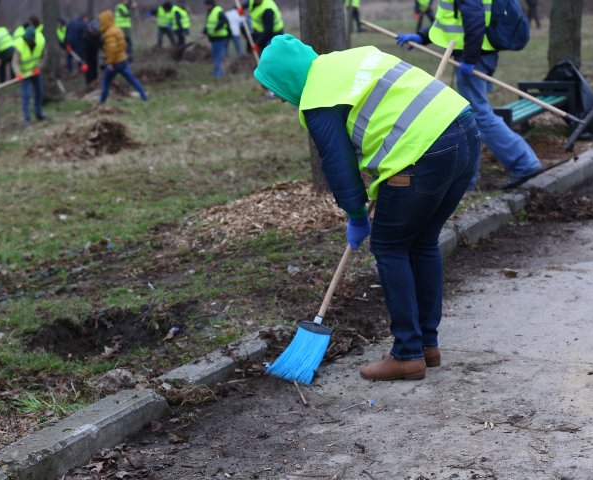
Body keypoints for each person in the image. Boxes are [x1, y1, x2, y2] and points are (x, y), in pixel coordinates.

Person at [253, 34, 479, 381]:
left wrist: (356, 215)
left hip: (424, 153)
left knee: (390, 246)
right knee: (421, 242)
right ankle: (427, 346)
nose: (285, 101)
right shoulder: (354, 58)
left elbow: (338, 164)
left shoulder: (318, 96)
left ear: (287, 79)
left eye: (280, 91)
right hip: (464, 132)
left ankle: (407, 353)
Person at [396, 0, 542, 189]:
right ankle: (469, 180)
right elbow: (452, 20)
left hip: (474, 58)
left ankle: (524, 164)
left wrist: (470, 59)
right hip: (479, 55)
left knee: (479, 116)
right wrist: (421, 36)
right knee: (475, 116)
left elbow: (474, 19)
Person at [98, 10, 147, 103]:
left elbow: (112, 50)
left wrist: (110, 63)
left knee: (106, 82)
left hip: (114, 63)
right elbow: (124, 45)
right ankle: (144, 96)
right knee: (132, 79)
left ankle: (102, 102)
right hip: (123, 59)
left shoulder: (108, 34)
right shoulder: (117, 29)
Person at [13, 26, 48, 125]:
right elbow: (15, 62)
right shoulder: (20, 45)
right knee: (26, 95)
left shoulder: (41, 42)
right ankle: (26, 118)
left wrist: (39, 67)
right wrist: (18, 73)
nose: (26, 42)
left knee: (39, 93)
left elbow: (44, 56)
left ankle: (39, 113)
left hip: (35, 72)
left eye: (28, 40)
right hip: (24, 75)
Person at [203, 0, 230, 78]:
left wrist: (216, 29)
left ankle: (217, 73)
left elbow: (225, 21)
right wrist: (204, 32)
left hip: (220, 37)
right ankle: (219, 72)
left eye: (206, 5)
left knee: (217, 56)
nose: (205, 7)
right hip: (214, 38)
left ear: (210, 5)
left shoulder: (218, 11)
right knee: (216, 55)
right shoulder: (210, 12)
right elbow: (208, 24)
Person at [83, 20, 101, 85]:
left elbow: (100, 44)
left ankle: (94, 82)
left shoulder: (98, 35)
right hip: (87, 56)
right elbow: (83, 50)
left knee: (94, 71)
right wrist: (84, 62)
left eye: (97, 31)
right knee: (88, 72)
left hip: (95, 55)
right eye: (94, 30)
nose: (96, 32)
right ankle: (89, 84)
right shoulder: (85, 37)